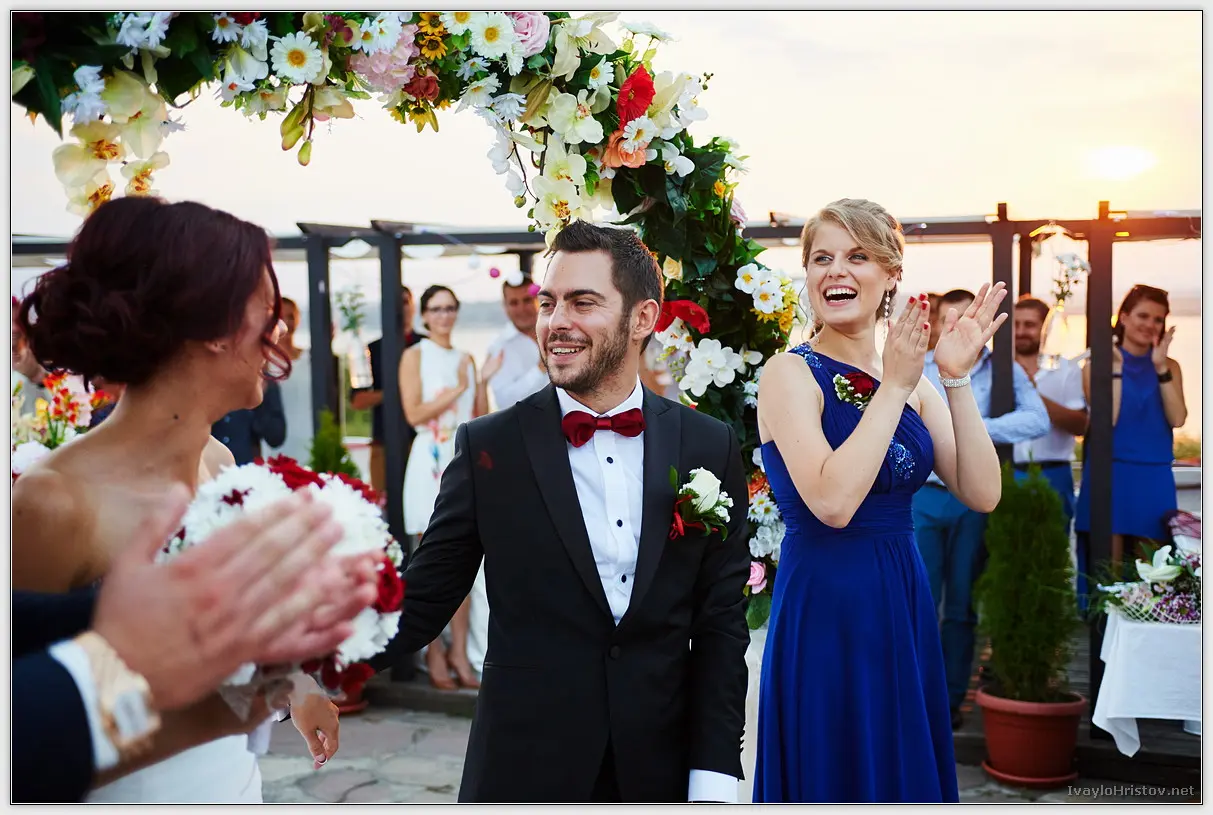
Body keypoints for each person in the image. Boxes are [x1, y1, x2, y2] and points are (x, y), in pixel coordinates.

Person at [369, 221, 750, 803]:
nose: (555, 322)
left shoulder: (708, 444)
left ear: (643, 319)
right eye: (549, 303)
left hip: (660, 769)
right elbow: (421, 599)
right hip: (525, 769)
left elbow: (720, 623)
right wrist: (309, 667)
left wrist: (715, 773)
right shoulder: (489, 447)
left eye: (582, 302)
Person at [12, 197, 347, 802]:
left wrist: (287, 681)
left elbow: (212, 662)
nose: (278, 332)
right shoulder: (55, 502)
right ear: (214, 329)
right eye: (267, 310)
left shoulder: (219, 462)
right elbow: (29, 715)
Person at [754, 199, 1008, 803]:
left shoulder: (913, 383)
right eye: (822, 258)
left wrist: (954, 377)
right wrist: (893, 385)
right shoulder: (789, 374)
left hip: (900, 596)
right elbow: (832, 502)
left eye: (857, 256)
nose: (836, 271)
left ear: (891, 274)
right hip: (826, 603)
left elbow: (982, 491)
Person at [15, 489, 380, 803]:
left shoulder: (222, 461)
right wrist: (191, 721)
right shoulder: (51, 495)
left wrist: (292, 679)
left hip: (229, 769)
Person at [912, 286, 1048, 729]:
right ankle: (916, 697)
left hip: (970, 499)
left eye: (964, 319)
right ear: (937, 322)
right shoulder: (918, 367)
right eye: (947, 320)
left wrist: (974, 427)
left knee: (962, 606)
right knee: (919, 599)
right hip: (924, 497)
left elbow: (1037, 419)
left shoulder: (1003, 369)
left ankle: (951, 701)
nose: (955, 327)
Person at [399, 284, 488, 691]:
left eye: (450, 308)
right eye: (436, 309)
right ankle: (433, 653)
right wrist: (455, 390)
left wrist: (481, 383)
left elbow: (479, 417)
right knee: (429, 558)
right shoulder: (414, 355)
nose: (444, 315)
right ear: (424, 315)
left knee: (466, 555)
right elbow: (414, 413)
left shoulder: (467, 358)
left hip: (459, 455)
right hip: (428, 455)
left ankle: (459, 653)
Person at [1075, 284, 1186, 570]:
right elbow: (1107, 420)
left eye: (1158, 319)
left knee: (1154, 571)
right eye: (1143, 316)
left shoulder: (1170, 366)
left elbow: (1177, 418)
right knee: (1107, 572)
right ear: (1123, 317)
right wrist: (1115, 369)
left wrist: (1160, 367)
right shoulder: (1095, 366)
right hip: (1110, 471)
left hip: (1154, 473)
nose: (1150, 325)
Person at [1012, 296, 1089, 607]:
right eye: (1016, 324)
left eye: (1029, 325)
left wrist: (1033, 393)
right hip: (1008, 473)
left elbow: (1080, 424)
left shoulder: (1067, 370)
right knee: (1010, 557)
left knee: (1052, 557)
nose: (1021, 331)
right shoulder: (996, 369)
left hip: (1054, 474)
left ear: (1044, 329)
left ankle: (1051, 621)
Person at [352, 286, 426, 493]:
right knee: (383, 502)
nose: (401, 308)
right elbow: (357, 400)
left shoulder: (427, 346)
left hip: (421, 440)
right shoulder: (372, 350)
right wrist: (395, 392)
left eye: (405, 302)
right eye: (395, 303)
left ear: (414, 307)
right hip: (383, 442)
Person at [480, 275, 548, 410]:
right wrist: (540, 368)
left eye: (527, 300)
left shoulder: (558, 333)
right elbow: (505, 402)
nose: (522, 309)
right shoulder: (499, 347)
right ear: (505, 306)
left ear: (538, 300)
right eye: (514, 303)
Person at [274, 297, 314, 464]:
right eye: (281, 317)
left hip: (310, 437)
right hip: (279, 441)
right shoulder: (265, 362)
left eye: (291, 316)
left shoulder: (310, 358)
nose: (287, 322)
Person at [212, 378, 286, 465]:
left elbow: (276, 437)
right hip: (208, 463)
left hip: (245, 466)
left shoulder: (264, 381)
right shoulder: (208, 377)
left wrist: (260, 400)